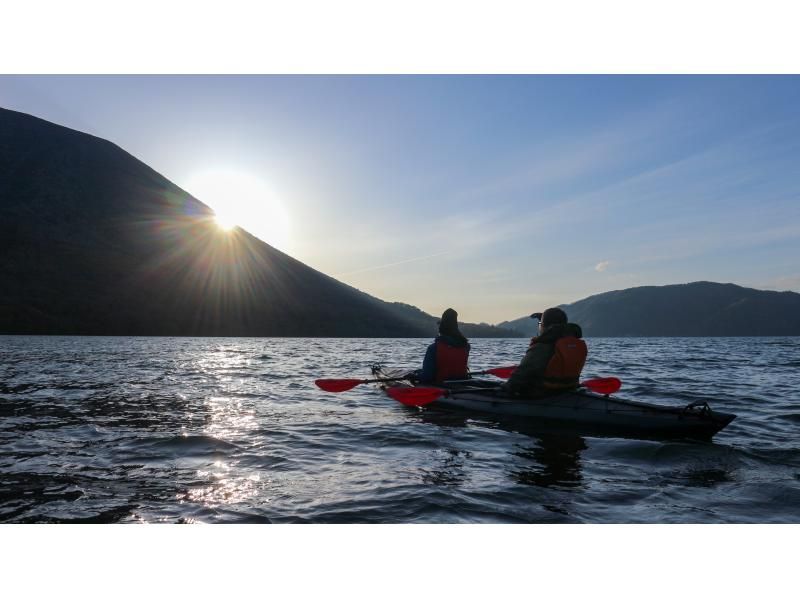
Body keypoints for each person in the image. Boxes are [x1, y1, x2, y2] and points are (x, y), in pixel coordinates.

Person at [503, 307, 587, 397]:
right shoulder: (572, 344)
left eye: (540, 324)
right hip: (569, 390)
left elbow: (520, 375)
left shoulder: (541, 347)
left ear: (544, 326)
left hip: (542, 394)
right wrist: (543, 319)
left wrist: (504, 389)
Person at [416, 308, 470, 384]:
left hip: (441, 385)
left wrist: (414, 376)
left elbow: (427, 377)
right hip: (462, 383)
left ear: (441, 327)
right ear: (456, 327)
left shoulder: (433, 348)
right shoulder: (466, 346)